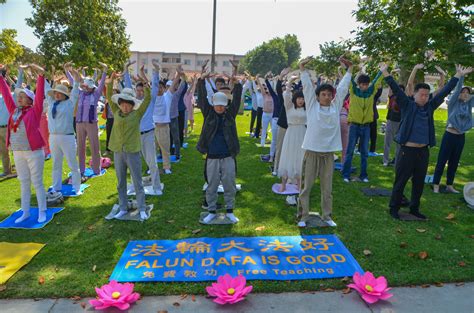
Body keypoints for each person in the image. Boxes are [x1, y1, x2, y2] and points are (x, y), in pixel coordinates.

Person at [381, 63, 468, 220]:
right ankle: (394, 208)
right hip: (407, 151)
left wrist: (457, 75)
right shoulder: (407, 105)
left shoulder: (429, 107)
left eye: (427, 95)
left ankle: (414, 209)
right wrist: (385, 72)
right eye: (421, 94)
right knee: (400, 181)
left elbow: (446, 90)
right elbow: (393, 85)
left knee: (419, 183)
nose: (425, 97)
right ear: (414, 94)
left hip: (423, 151)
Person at [297, 56, 353, 228]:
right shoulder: (312, 106)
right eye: (324, 94)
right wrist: (302, 68)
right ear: (318, 96)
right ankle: (302, 216)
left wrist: (350, 71)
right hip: (312, 152)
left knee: (327, 189)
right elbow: (307, 87)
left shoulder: (336, 107)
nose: (327, 97)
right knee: (306, 187)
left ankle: (327, 216)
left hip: (328, 154)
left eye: (329, 94)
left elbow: (342, 88)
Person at [0, 64, 47, 223]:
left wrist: (40, 77)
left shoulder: (35, 110)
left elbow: (40, 95)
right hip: (18, 152)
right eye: (18, 96)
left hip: (33, 151)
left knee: (37, 182)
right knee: (23, 182)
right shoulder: (14, 110)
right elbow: (6, 94)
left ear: (30, 100)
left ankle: (42, 211)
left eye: (22, 96)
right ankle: (25, 212)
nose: (18, 98)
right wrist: (1, 77)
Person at [196, 66, 242, 224]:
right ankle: (211, 210)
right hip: (212, 156)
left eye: (223, 104)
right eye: (217, 104)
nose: (220, 107)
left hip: (228, 155)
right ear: (214, 103)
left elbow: (236, 101)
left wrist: (237, 85)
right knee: (212, 184)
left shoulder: (230, 114)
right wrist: (201, 80)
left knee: (230, 183)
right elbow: (201, 98)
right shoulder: (208, 113)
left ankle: (230, 210)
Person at [107, 73, 152, 220]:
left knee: (137, 181)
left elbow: (147, 100)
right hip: (118, 151)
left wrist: (146, 87)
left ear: (133, 105)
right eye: (123, 103)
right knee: (120, 182)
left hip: (132, 151)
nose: (125, 106)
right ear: (119, 103)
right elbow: (108, 96)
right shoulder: (116, 112)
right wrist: (111, 80)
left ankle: (142, 208)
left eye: (128, 104)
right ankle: (123, 207)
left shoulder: (137, 114)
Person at [124, 60, 163, 195]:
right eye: (138, 90)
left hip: (148, 134)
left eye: (142, 90)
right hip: (134, 135)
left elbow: (156, 86)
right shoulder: (132, 101)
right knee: (134, 164)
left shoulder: (149, 99)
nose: (140, 92)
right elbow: (127, 85)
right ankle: (136, 185)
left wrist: (156, 71)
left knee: (152, 162)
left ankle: (157, 187)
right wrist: (126, 69)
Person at [342, 65, 384, 183]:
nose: (364, 86)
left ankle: (363, 175)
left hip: (366, 126)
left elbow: (377, 80)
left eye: (366, 84)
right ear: (359, 84)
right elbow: (349, 79)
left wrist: (383, 69)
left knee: (364, 153)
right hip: (354, 125)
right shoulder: (353, 90)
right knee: (350, 151)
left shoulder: (371, 91)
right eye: (362, 84)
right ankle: (346, 174)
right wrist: (346, 67)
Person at [433, 71, 473, 193]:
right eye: (463, 91)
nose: (465, 94)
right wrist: (461, 75)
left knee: (454, 162)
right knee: (442, 160)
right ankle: (436, 184)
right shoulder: (453, 103)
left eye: (467, 92)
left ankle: (449, 185)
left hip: (460, 137)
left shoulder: (469, 104)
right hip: (449, 136)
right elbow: (456, 90)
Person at [45, 67, 82, 196]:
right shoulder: (51, 103)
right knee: (56, 163)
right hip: (53, 137)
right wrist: (41, 76)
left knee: (72, 163)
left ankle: (77, 188)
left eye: (59, 93)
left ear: (65, 95)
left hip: (67, 137)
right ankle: (56, 187)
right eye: (55, 93)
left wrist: (76, 79)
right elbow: (45, 89)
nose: (56, 95)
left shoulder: (70, 103)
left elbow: (76, 92)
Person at [68, 61, 108, 176]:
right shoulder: (79, 93)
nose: (86, 88)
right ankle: (81, 170)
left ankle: (97, 170)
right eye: (85, 86)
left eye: (88, 86)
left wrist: (104, 71)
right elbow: (72, 81)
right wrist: (68, 70)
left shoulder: (96, 94)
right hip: (79, 123)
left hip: (91, 123)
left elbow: (101, 84)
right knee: (80, 147)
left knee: (95, 147)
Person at [277, 77, 306, 192]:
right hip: (291, 134)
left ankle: (299, 184)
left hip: (302, 134)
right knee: (287, 157)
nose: (301, 100)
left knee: (300, 158)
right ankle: (283, 184)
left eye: (303, 99)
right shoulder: (289, 107)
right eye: (299, 98)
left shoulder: (306, 109)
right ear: (295, 99)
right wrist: (289, 83)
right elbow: (286, 95)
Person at [383, 81, 405, 166]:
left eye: (402, 90)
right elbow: (390, 87)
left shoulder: (404, 100)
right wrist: (392, 73)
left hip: (400, 122)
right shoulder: (392, 96)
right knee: (387, 142)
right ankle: (385, 160)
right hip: (390, 121)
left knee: (399, 144)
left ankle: (397, 161)